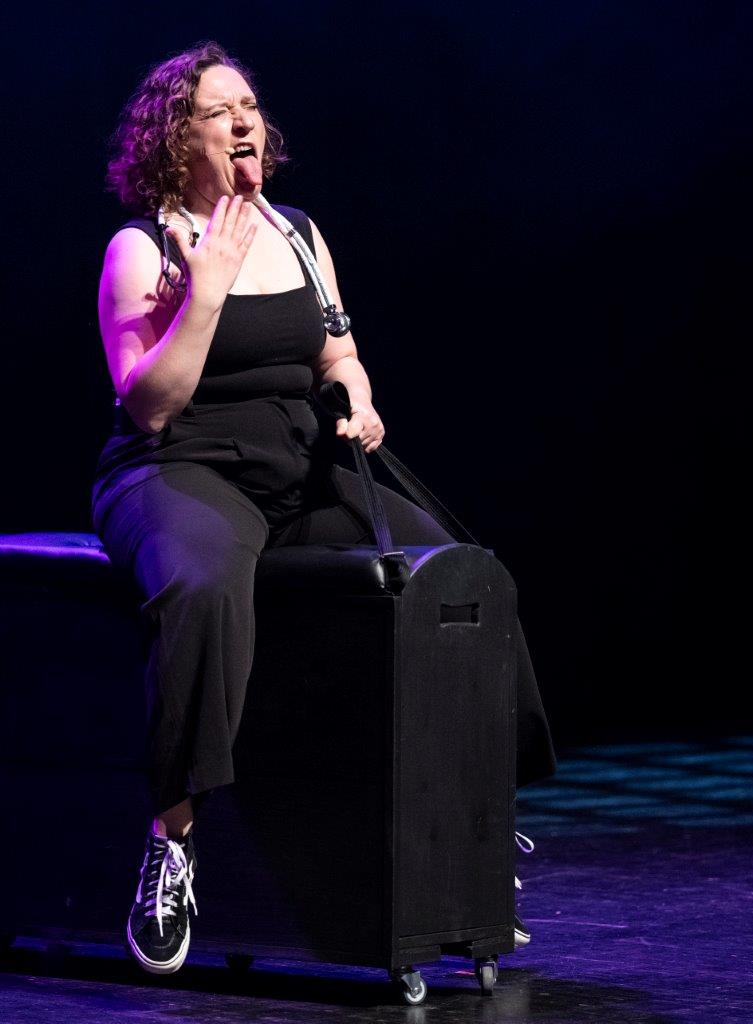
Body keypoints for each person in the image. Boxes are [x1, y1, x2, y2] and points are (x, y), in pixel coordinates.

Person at [93, 41, 557, 976]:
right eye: (217, 110)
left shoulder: (298, 232)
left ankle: (474, 827)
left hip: (296, 463)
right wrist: (205, 294)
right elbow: (150, 405)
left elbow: (337, 351)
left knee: (460, 582)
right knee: (202, 587)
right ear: (175, 137)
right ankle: (172, 842)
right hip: (179, 467)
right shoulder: (143, 247)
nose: (243, 121)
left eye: (249, 107)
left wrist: (357, 395)